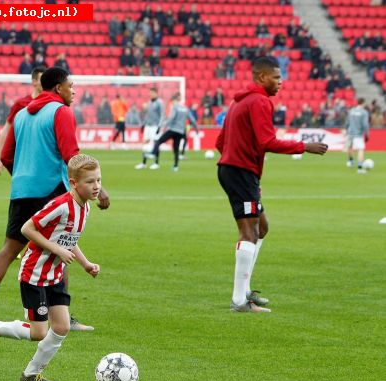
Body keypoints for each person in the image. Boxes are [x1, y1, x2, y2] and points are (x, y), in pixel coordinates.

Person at [0, 67, 110, 332]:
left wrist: (23, 177)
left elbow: (7, 154)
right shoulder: (61, 111)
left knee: (9, 248)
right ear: (59, 88)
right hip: (51, 189)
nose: (74, 91)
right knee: (62, 244)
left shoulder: (22, 114)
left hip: (22, 188)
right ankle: (64, 317)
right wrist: (98, 189)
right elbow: (72, 154)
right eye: (71, 85)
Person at [0, 154, 102, 381]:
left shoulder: (85, 208)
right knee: (39, 331)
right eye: (90, 182)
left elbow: (69, 239)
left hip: (54, 276)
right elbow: (27, 228)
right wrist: (56, 250)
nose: (96, 186)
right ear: (73, 183)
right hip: (35, 275)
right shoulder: (61, 205)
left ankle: (31, 374)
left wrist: (86, 263)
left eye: (99, 180)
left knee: (61, 327)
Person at [216, 56, 328, 313]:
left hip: (238, 172)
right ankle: (239, 300)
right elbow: (267, 141)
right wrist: (304, 146)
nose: (281, 82)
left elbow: (220, 142)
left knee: (262, 228)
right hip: (240, 172)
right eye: (277, 77)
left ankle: (245, 292)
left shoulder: (239, 102)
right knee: (249, 233)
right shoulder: (259, 102)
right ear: (261, 77)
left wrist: (248, 175)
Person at [0, 66, 45, 175]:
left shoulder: (51, 104)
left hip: (43, 157)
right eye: (42, 79)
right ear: (34, 82)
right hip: (22, 156)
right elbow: (6, 130)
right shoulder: (21, 104)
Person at [145, 93, 199, 172]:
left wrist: (165, 126)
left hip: (173, 129)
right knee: (176, 149)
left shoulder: (175, 107)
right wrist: (197, 129)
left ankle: (153, 153)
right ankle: (176, 166)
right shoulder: (185, 109)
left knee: (159, 141)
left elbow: (171, 118)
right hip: (180, 131)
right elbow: (192, 120)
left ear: (174, 101)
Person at [135, 87, 164, 170]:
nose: (150, 94)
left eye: (152, 93)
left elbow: (162, 115)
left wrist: (160, 126)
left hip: (155, 126)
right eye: (150, 93)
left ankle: (156, 163)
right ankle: (143, 163)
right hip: (148, 126)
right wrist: (143, 124)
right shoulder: (149, 103)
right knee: (146, 143)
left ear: (156, 93)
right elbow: (147, 115)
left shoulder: (160, 103)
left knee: (156, 143)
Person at [344, 98, 370, 173]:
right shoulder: (364, 112)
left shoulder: (351, 111)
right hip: (358, 134)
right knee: (360, 149)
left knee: (350, 147)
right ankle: (360, 168)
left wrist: (346, 129)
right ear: (363, 103)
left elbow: (347, 121)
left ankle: (350, 161)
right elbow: (365, 124)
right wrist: (367, 134)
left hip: (350, 132)